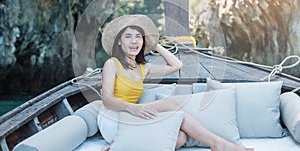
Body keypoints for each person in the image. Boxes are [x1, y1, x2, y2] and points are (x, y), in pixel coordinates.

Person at [99, 14, 254, 151]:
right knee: (170, 104)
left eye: (138, 36)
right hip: (114, 118)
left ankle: (124, 145)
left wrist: (156, 44)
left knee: (180, 138)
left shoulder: (143, 68)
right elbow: (107, 100)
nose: (134, 41)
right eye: (128, 36)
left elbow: (176, 65)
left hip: (133, 118)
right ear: (119, 41)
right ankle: (219, 145)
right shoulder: (112, 64)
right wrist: (133, 108)